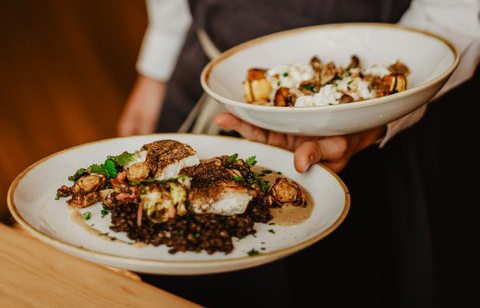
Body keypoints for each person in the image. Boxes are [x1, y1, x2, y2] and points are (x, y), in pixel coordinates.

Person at [117, 1, 480, 307]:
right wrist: (157, 66)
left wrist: (377, 116)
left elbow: (453, 13)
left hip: (372, 110)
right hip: (204, 75)